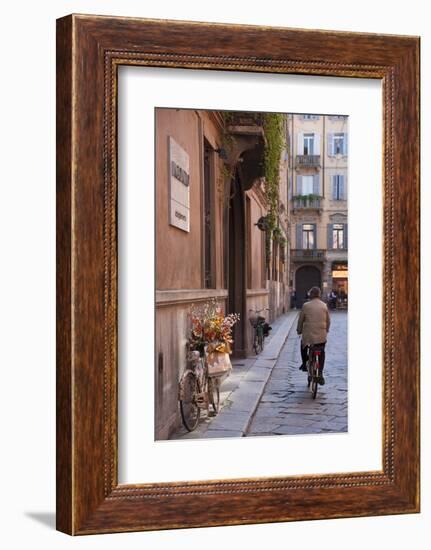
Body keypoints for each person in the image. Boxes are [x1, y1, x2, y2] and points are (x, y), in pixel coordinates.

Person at [297, 286, 331, 385]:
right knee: (322, 352)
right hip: (321, 336)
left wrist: (299, 330)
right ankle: (320, 373)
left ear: (310, 294)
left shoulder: (306, 305)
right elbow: (328, 321)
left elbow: (300, 320)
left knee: (303, 347)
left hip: (308, 336)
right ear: (319, 294)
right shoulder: (324, 305)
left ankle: (304, 364)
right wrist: (326, 330)